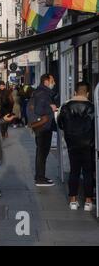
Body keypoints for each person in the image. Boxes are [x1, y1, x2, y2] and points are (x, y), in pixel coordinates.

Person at [57, 82, 95, 212]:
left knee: (74, 171)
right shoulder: (91, 107)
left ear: (75, 92)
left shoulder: (66, 107)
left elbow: (60, 124)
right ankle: (88, 201)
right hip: (88, 144)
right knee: (88, 172)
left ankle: (73, 200)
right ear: (88, 93)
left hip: (72, 143)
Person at [32, 74, 58, 187]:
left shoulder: (41, 92)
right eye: (52, 80)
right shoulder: (43, 93)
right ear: (46, 82)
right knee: (42, 153)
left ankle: (40, 176)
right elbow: (38, 110)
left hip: (42, 126)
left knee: (41, 153)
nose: (54, 83)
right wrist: (51, 108)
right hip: (43, 127)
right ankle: (40, 178)